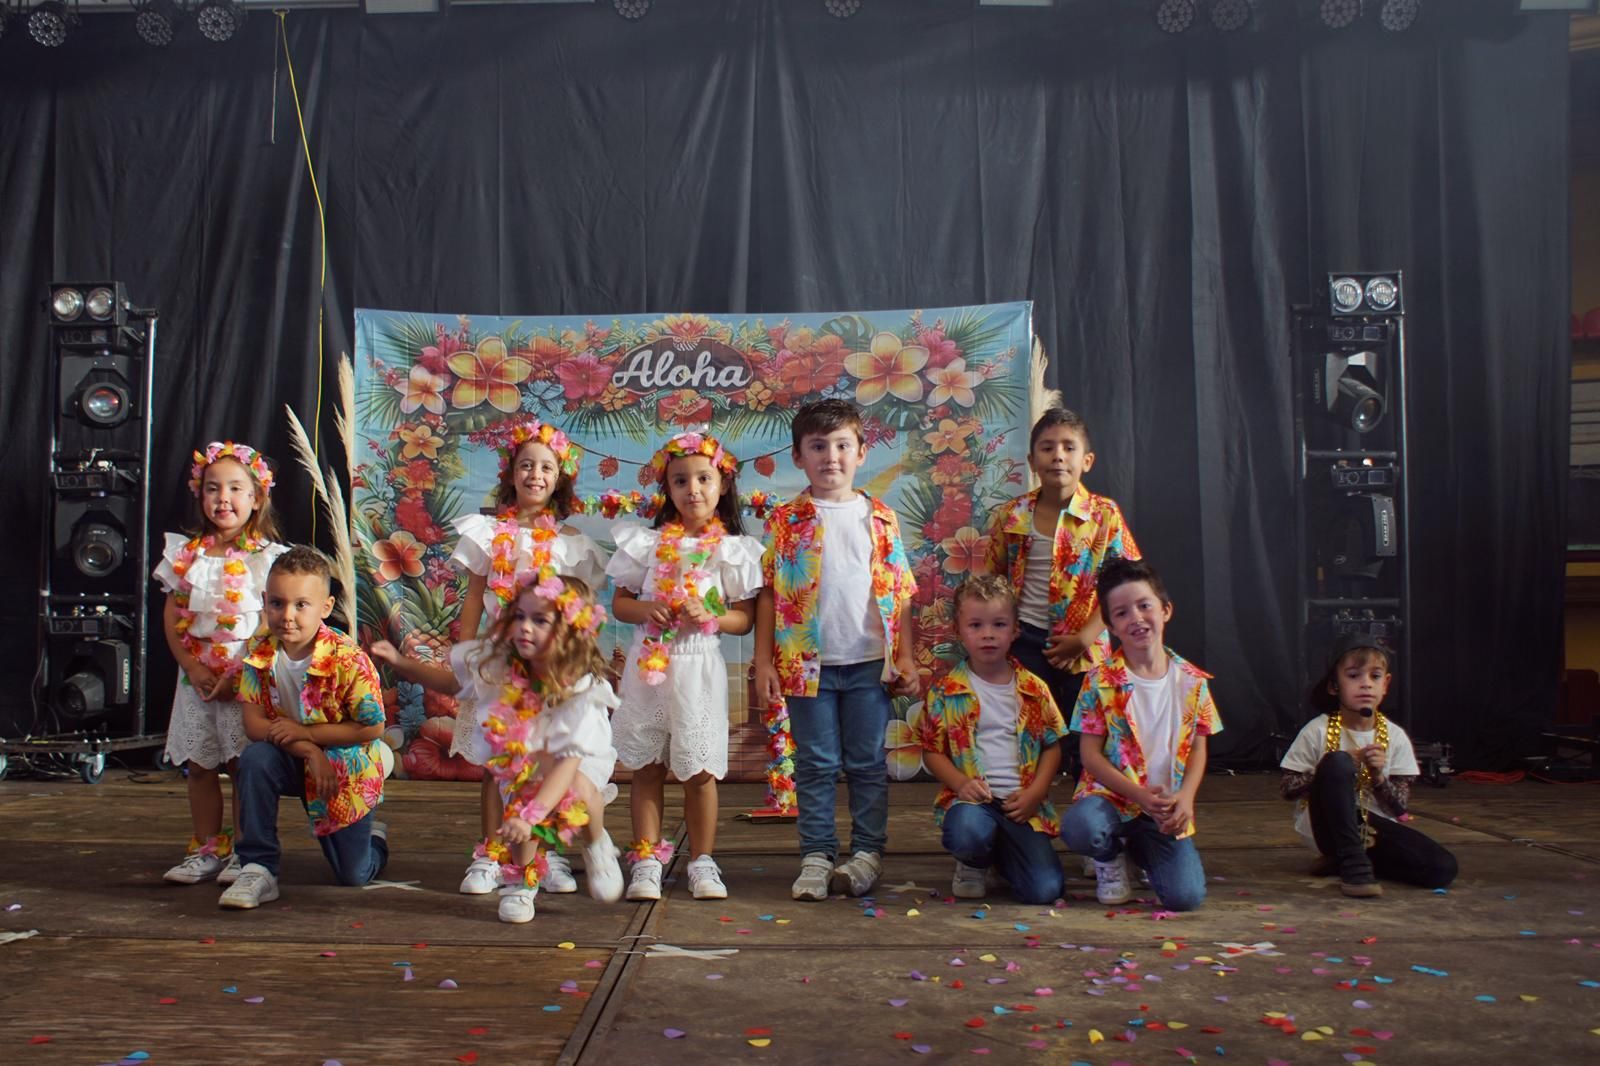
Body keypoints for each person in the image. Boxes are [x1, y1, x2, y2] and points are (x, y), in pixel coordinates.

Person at [369, 572, 625, 911]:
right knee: (519, 807)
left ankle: (596, 845)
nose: (525, 627)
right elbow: (452, 684)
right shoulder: (503, 665)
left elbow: (566, 763)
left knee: (579, 791)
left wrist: (532, 816)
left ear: (569, 630)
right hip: (527, 756)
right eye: (520, 616)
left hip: (571, 761)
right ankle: (521, 879)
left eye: (540, 620)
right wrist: (401, 663)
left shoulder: (580, 688)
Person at [754, 399, 919, 902]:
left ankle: (867, 853)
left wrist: (906, 656)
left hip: (870, 664)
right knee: (817, 762)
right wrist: (763, 660)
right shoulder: (786, 520)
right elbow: (769, 591)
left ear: (861, 453)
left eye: (842, 445)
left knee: (868, 762)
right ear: (799, 457)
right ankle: (817, 854)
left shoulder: (882, 518)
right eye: (818, 447)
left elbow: (903, 591)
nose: (831, 457)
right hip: (808, 668)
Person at [449, 419, 609, 898]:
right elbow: (476, 598)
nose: (535, 475)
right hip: (499, 661)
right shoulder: (489, 533)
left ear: (560, 477)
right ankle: (490, 854)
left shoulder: (572, 541)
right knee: (495, 762)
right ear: (511, 473)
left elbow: (579, 614)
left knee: (543, 761)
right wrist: (469, 649)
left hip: (549, 669)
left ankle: (544, 854)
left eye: (546, 466)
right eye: (525, 465)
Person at [606, 431, 762, 902]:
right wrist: (646, 609)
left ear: (722, 485)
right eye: (680, 480)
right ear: (667, 489)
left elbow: (744, 618)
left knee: (700, 771)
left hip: (699, 668)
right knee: (648, 767)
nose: (692, 489)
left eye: (703, 478)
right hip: (649, 666)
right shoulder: (647, 544)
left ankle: (702, 862)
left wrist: (712, 615)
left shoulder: (732, 550)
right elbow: (620, 604)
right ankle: (647, 860)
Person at [219, 547, 394, 909]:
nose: (288, 616)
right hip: (293, 757)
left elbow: (371, 728)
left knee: (353, 875)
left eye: (302, 605)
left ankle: (372, 839)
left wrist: (310, 737)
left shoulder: (349, 660)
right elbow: (254, 724)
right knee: (255, 760)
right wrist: (308, 749)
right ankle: (258, 866)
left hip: (344, 768)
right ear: (265, 602)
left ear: (325, 608)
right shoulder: (257, 652)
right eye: (278, 604)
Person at [154, 441, 289, 886]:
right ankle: (208, 846)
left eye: (235, 488)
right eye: (213, 489)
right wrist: (192, 668)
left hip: (243, 678)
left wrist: (240, 673)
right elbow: (174, 615)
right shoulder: (186, 555)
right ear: (201, 495)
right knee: (200, 765)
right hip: (196, 677)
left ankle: (247, 852)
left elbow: (272, 625)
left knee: (240, 765)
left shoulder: (267, 558)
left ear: (256, 497)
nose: (223, 499)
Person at [1059, 556, 1219, 911]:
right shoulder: (1099, 682)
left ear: (1165, 610)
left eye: (1144, 606)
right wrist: (1138, 794)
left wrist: (1186, 798)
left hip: (1162, 807)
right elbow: (1090, 756)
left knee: (1185, 897)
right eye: (1121, 613)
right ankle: (1109, 854)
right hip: (1113, 798)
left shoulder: (1193, 682)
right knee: (1081, 827)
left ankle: (1142, 850)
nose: (1135, 619)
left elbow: (1198, 749)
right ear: (1112, 627)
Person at [981, 408, 1140, 762]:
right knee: (1028, 738)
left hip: (1085, 645)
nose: (1058, 456)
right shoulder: (1011, 515)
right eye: (1047, 448)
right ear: (1032, 460)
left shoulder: (1105, 515)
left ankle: (1091, 812)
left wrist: (1085, 637)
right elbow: (992, 583)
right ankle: (1026, 811)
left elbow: (1126, 585)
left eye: (1069, 447)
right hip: (1024, 642)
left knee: (1090, 739)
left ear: (1087, 460)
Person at [918, 575, 1066, 904]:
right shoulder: (946, 690)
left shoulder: (1033, 688)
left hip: (1020, 804)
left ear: (1015, 630)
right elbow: (931, 751)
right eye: (976, 625)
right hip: (975, 802)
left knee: (1045, 891)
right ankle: (973, 860)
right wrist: (960, 783)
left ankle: (1004, 854)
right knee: (969, 831)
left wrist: (1036, 793)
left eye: (999, 625)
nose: (987, 634)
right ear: (959, 632)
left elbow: (1053, 745)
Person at [1279, 632, 1457, 898]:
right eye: (1353, 676)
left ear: (1386, 684)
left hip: (1371, 828)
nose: (1365, 685)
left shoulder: (1395, 737)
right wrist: (1331, 769)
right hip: (1323, 826)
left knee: (1441, 868)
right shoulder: (1317, 730)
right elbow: (1288, 789)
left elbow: (1398, 808)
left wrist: (1377, 776)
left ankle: (1346, 860)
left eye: (1374, 677)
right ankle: (1353, 866)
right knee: (1337, 761)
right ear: (1333, 686)